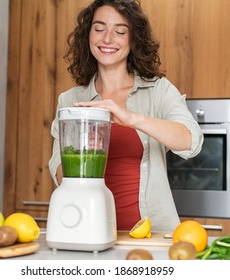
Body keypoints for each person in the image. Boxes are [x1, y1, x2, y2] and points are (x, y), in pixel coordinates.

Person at [48, 0, 203, 232]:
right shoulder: (70, 100)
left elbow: (191, 141)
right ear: (88, 35)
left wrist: (130, 118)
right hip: (88, 231)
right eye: (99, 29)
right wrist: (82, 147)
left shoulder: (158, 91)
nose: (107, 39)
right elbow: (59, 170)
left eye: (120, 31)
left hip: (151, 235)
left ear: (133, 40)